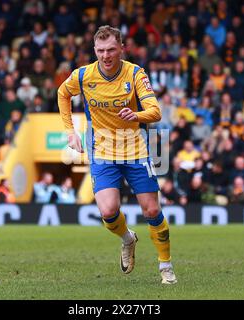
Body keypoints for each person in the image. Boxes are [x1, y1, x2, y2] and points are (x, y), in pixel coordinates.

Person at [57, 26, 176, 284]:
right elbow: (62, 94)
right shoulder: (83, 76)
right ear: (94, 50)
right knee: (108, 210)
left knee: (151, 209)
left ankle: (165, 266)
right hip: (102, 151)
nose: (106, 55)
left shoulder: (135, 74)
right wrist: (70, 131)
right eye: (100, 50)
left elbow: (155, 111)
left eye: (111, 49)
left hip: (135, 149)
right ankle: (127, 239)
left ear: (121, 48)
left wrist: (137, 115)